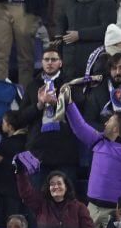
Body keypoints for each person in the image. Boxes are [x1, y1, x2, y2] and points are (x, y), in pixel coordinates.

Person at [64, 89, 121, 228]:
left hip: (117, 211)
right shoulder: (97, 140)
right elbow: (80, 127)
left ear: (116, 129)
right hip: (92, 208)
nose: (105, 123)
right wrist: (69, 104)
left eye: (109, 121)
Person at [16, 47, 80, 184]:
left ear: (60, 63)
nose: (49, 63)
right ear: (42, 62)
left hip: (65, 152)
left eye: (53, 59)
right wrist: (39, 105)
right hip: (38, 151)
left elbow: (80, 114)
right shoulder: (33, 85)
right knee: (36, 200)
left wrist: (58, 103)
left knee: (66, 201)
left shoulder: (70, 85)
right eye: (46, 59)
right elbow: (20, 118)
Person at [57, 0, 119, 80]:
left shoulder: (106, 1)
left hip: (96, 63)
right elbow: (61, 29)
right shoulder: (67, 1)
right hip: (70, 64)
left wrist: (80, 35)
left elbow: (109, 30)